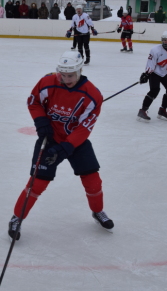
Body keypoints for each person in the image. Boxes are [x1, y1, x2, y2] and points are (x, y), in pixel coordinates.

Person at [7, 50, 113, 240]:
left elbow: (85, 127)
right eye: (63, 75)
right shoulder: (48, 82)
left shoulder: (92, 94)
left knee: (93, 181)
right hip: (49, 139)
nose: (66, 79)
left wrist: (66, 147)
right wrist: (41, 121)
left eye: (70, 75)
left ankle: (98, 212)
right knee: (37, 183)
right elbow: (34, 101)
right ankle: (17, 218)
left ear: (80, 70)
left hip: (76, 142)